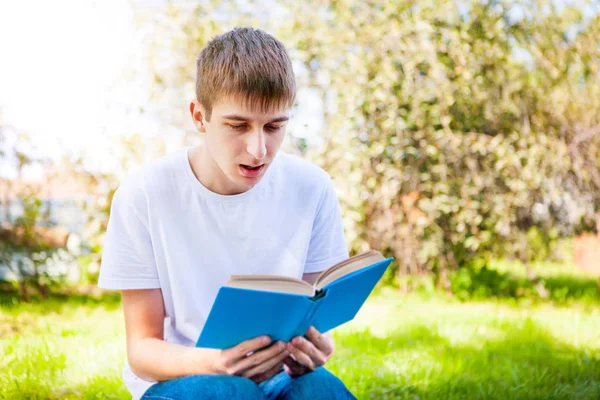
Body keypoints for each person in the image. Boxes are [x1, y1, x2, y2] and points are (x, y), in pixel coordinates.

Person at [98, 27, 356, 400]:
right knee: (227, 391)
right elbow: (142, 350)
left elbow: (312, 314)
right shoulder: (144, 195)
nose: (259, 150)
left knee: (320, 388)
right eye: (238, 126)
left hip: (279, 375)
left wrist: (315, 349)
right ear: (199, 117)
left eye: (274, 126)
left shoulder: (312, 187)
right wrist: (217, 362)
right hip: (185, 378)